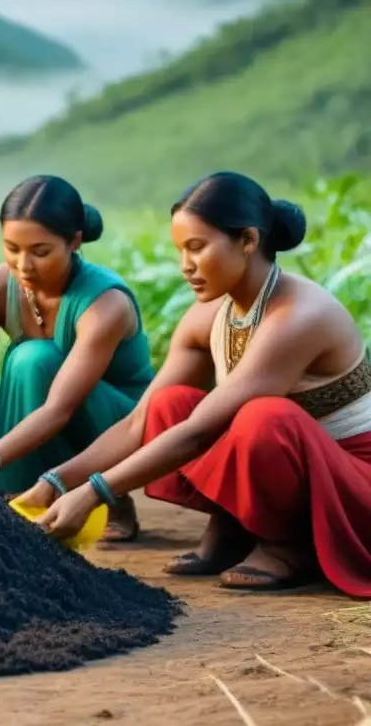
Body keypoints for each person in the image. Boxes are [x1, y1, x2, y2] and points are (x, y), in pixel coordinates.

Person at [22, 171, 371, 598]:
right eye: (180, 250)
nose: (185, 265)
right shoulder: (209, 316)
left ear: (247, 240)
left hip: (353, 482)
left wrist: (94, 493)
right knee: (169, 405)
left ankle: (287, 545)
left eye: (197, 247)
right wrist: (57, 481)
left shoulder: (299, 316)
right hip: (293, 468)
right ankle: (235, 525)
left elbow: (201, 431)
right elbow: (140, 423)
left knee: (264, 417)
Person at [0, 175, 154, 531]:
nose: (23, 265)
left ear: (74, 241)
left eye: (40, 252)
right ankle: (13, 495)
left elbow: (61, 407)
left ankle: (103, 494)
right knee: (25, 364)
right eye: (11, 248)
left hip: (114, 423)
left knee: (35, 360)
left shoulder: (105, 304)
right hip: (39, 411)